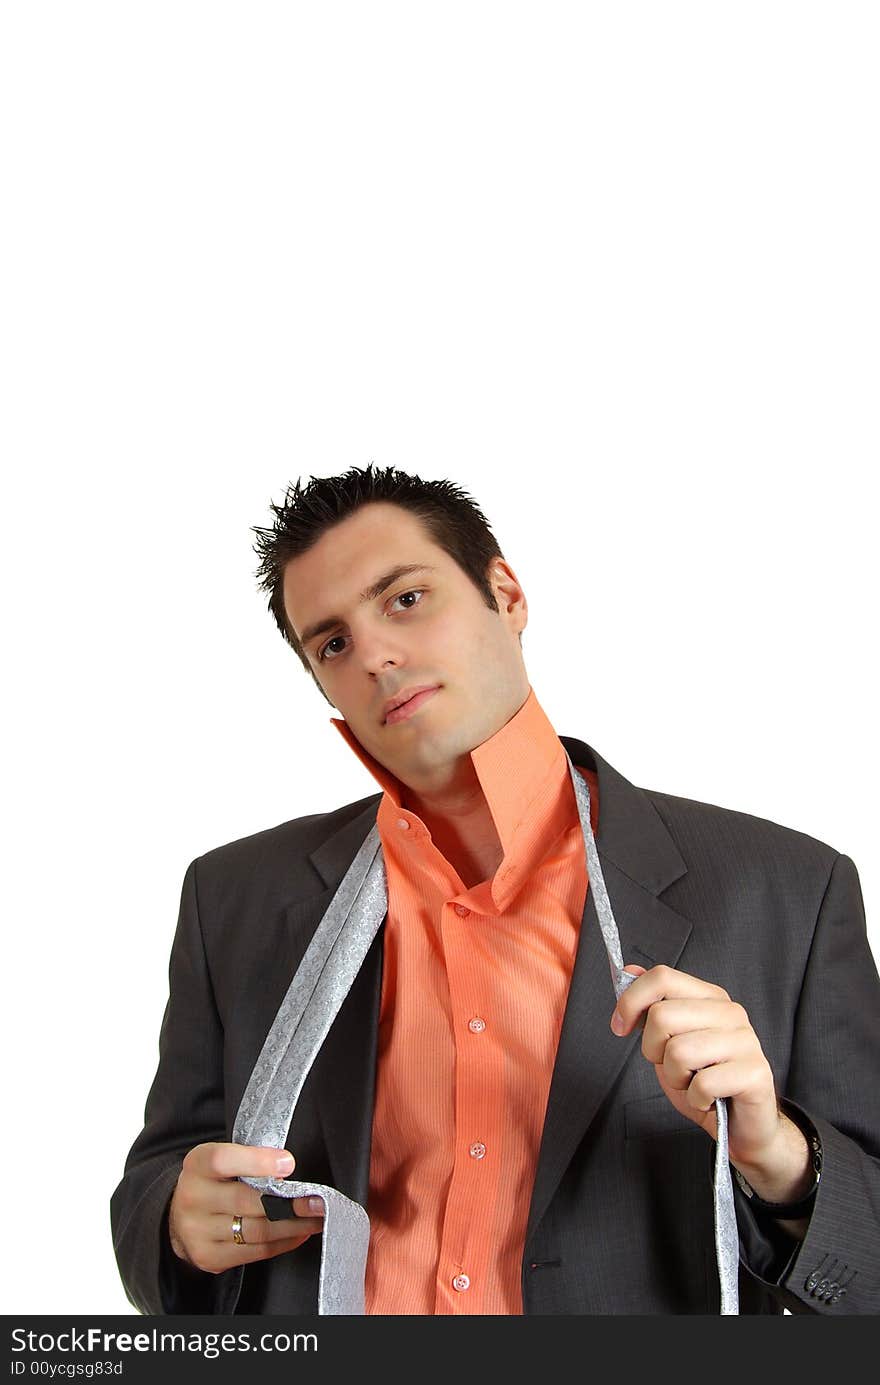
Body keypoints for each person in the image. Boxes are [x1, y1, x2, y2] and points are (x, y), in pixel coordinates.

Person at [110, 464, 880, 1315]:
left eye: (404, 599)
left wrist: (778, 1154)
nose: (375, 653)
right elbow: (160, 1177)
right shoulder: (236, 898)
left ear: (506, 594)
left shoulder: (788, 891)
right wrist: (177, 1223)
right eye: (332, 643)